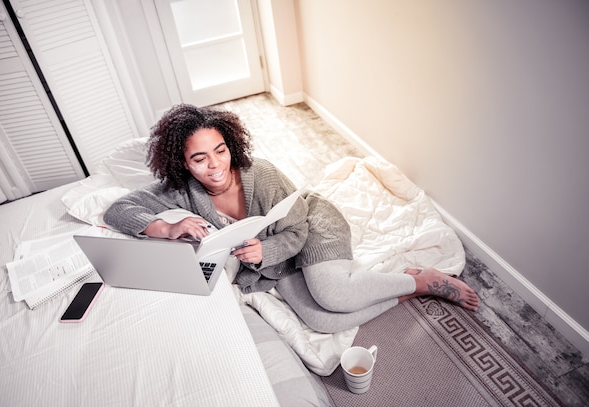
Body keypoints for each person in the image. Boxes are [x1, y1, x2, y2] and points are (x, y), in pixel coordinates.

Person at [103, 104, 479, 333]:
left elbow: (297, 227)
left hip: (310, 227)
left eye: (220, 151)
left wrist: (264, 250)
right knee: (323, 320)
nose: (215, 165)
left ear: (230, 145)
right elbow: (118, 209)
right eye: (199, 159)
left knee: (336, 294)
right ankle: (407, 285)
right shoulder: (179, 189)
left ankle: (423, 280)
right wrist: (166, 227)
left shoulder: (261, 174)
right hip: (275, 263)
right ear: (182, 163)